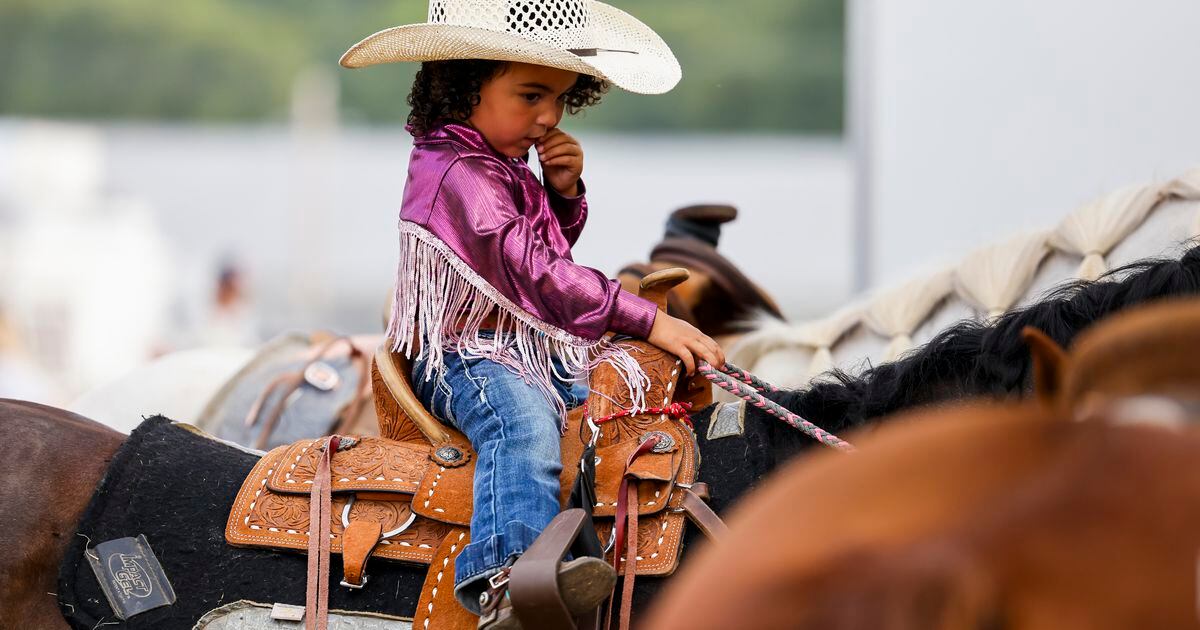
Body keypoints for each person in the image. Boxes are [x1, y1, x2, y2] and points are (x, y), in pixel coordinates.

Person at [340, 2, 724, 626]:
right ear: (466, 84)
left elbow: (537, 258)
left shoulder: (495, 162)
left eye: (561, 101)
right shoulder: (457, 171)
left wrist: (563, 195)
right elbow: (538, 276)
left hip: (521, 348)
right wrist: (648, 318)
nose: (548, 118)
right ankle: (507, 583)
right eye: (530, 95)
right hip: (466, 356)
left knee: (628, 395)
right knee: (521, 426)